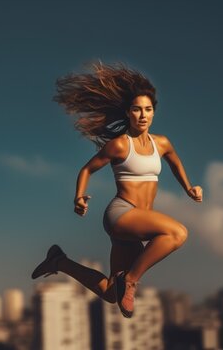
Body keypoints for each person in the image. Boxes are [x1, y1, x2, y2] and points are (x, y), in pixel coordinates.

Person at [31, 62, 202, 318]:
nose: (143, 115)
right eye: (137, 110)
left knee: (112, 293)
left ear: (154, 112)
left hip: (136, 227)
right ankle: (131, 281)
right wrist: (79, 197)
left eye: (148, 109)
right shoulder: (120, 145)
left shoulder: (162, 143)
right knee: (177, 233)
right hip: (121, 214)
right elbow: (87, 169)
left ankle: (58, 261)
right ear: (128, 113)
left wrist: (189, 188)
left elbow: (175, 163)